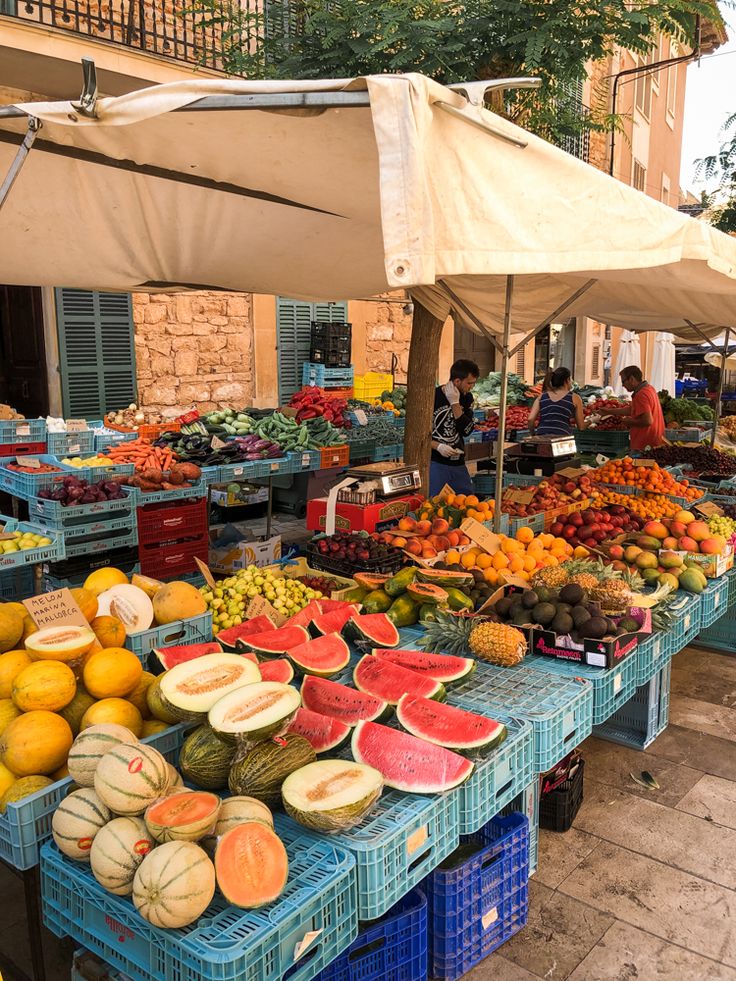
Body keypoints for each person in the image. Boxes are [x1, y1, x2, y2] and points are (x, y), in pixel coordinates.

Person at [430, 359, 478, 496]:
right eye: (469, 383)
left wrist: (455, 403)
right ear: (457, 381)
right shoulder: (434, 397)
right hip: (436, 462)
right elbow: (419, 434)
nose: (471, 387)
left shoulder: (467, 398)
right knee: (436, 503)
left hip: (458, 463)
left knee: (467, 500)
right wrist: (438, 446)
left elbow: (467, 430)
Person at [603, 366, 665, 450]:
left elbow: (648, 421)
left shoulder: (641, 395)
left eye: (623, 381)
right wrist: (609, 411)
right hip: (654, 440)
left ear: (631, 379)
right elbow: (632, 409)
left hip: (645, 444)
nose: (623, 385)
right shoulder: (649, 389)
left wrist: (629, 422)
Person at [527, 367, 586, 436]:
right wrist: (592, 420)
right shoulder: (574, 398)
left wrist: (533, 434)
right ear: (567, 380)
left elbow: (530, 419)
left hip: (542, 436)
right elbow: (581, 427)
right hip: (563, 438)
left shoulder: (542, 396)